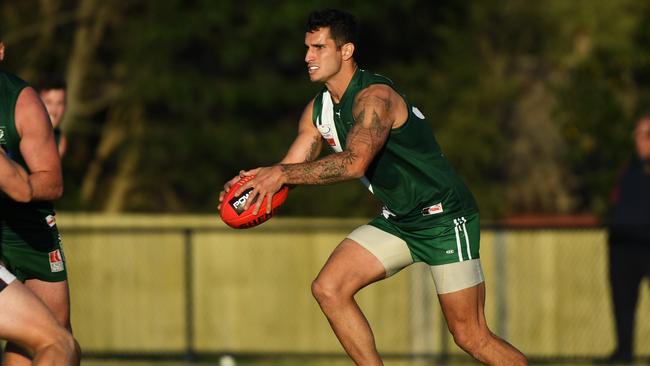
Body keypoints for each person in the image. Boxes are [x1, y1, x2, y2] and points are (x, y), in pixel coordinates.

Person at [219, 9, 527, 366]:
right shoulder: (317, 111)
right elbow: (293, 168)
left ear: (346, 51)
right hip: (399, 220)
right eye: (307, 48)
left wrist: (281, 174)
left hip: (444, 218)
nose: (308, 57)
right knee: (329, 289)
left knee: (470, 336)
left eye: (319, 47)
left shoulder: (375, 99)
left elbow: (354, 163)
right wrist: (255, 185)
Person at [0, 41, 79, 365]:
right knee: (58, 344)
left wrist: (24, 187)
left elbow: (48, 182)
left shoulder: (21, 100)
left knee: (55, 337)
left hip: (24, 229)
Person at [605, 116, 650, 363]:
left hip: (647, 242)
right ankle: (624, 352)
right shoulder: (628, 167)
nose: (639, 140)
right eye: (637, 134)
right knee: (622, 303)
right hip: (623, 243)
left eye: (645, 134)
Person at [37, 77, 67, 158]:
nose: (54, 110)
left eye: (60, 103)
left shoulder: (60, 142)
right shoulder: (14, 126)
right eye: (48, 102)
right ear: (35, 102)